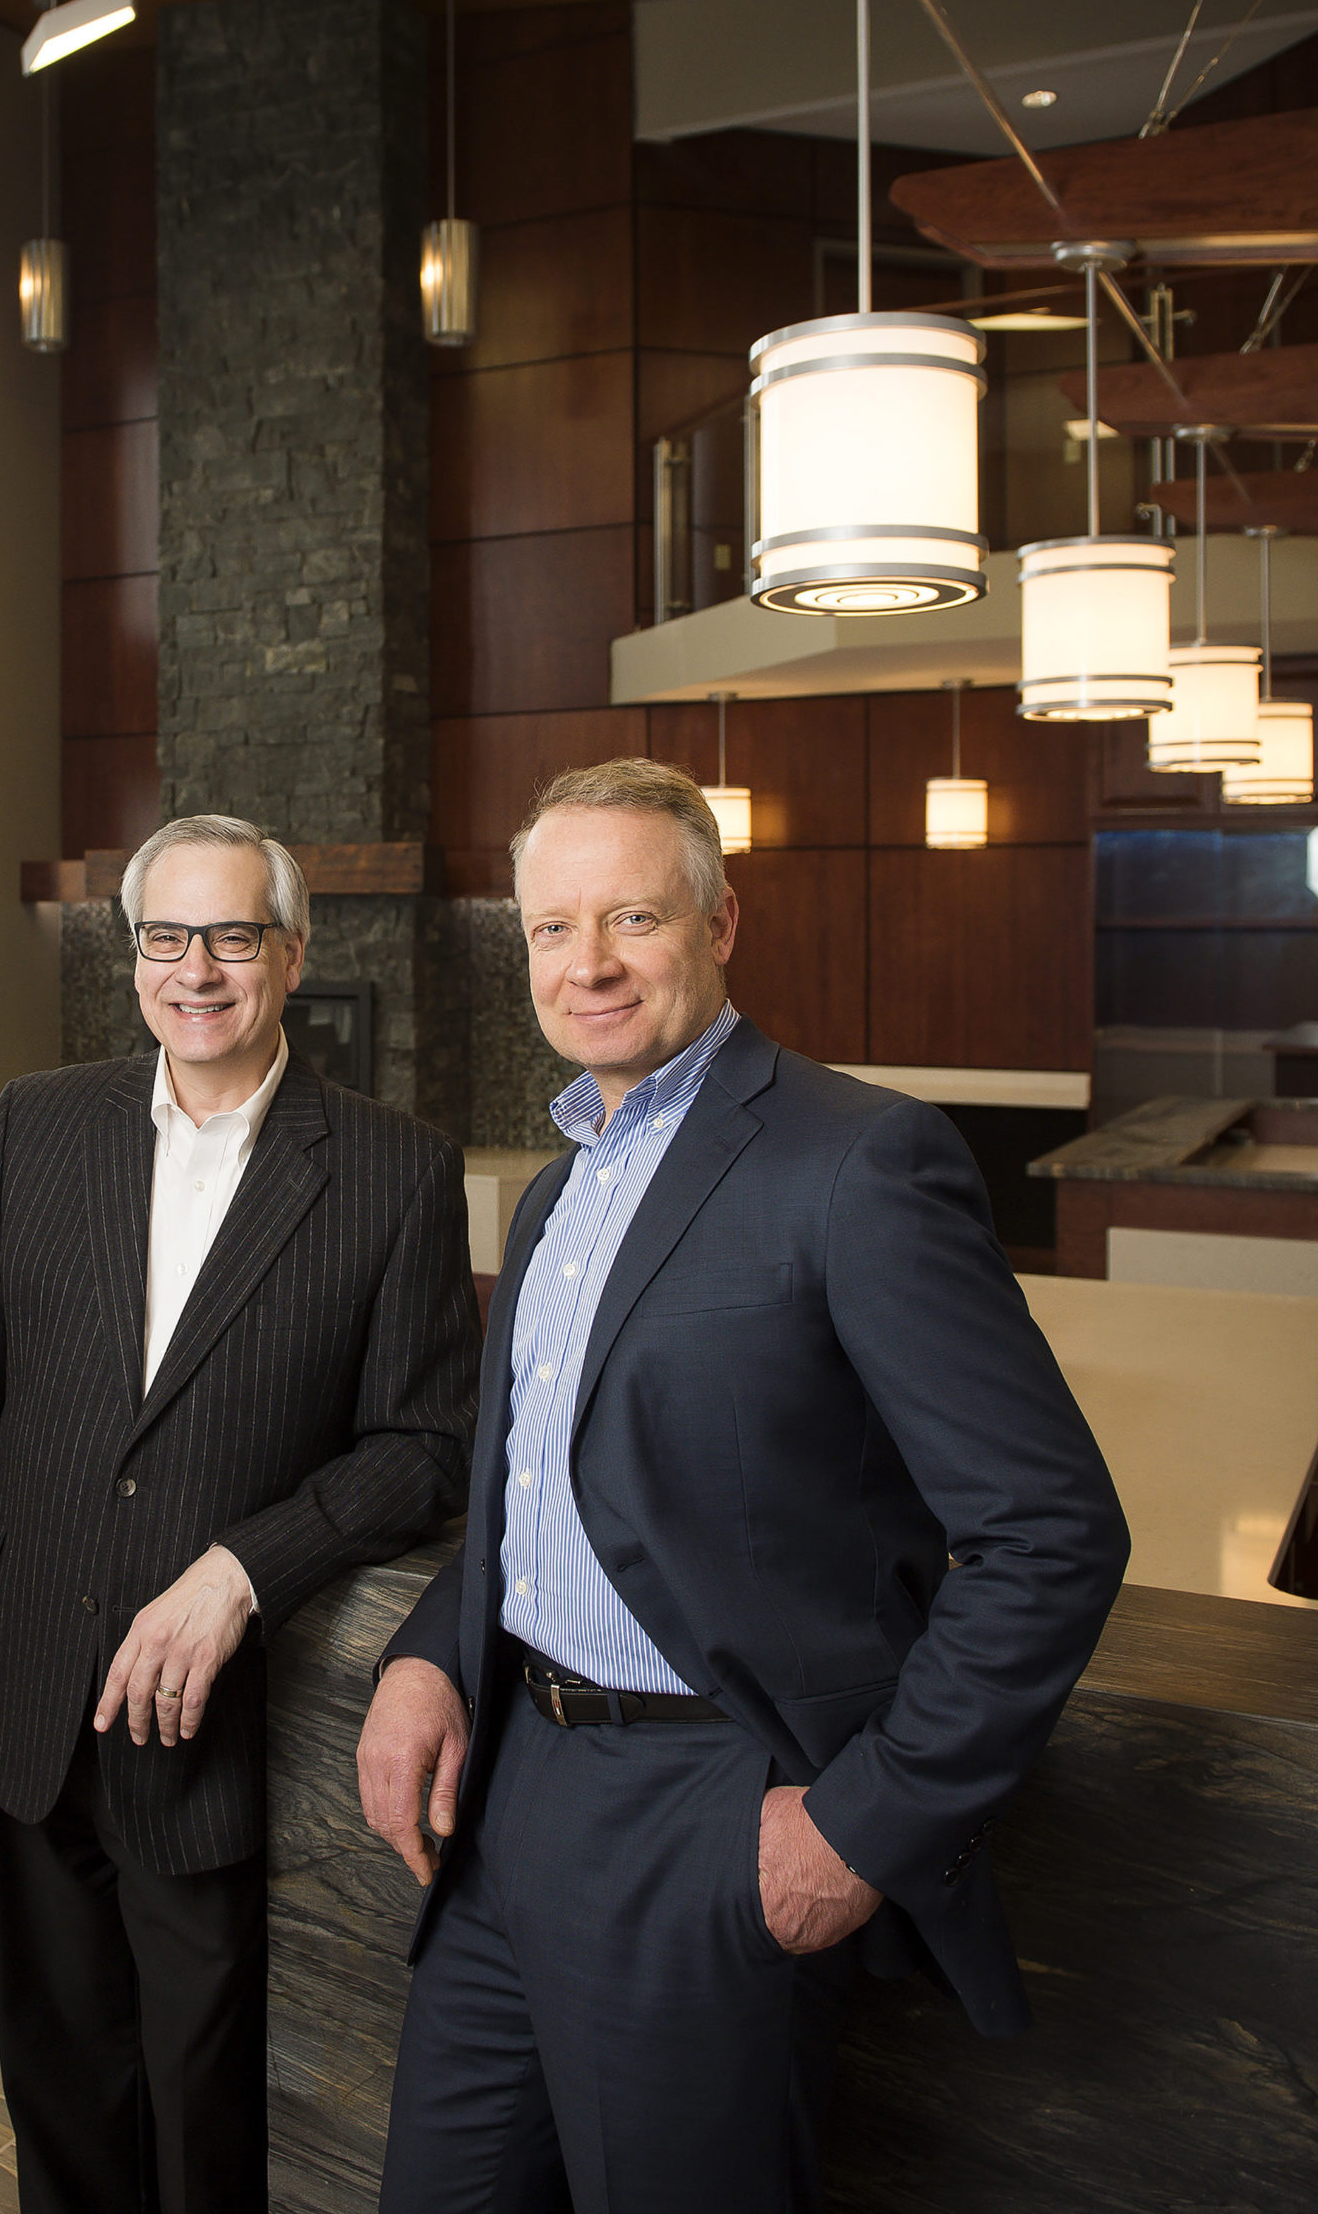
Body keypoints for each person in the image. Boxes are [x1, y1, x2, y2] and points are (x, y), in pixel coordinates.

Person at [357, 758, 1130, 2214]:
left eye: (631, 917)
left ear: (720, 923)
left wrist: (862, 1825)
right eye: (547, 928)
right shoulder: (553, 1188)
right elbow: (530, 1492)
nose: (585, 963)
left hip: (702, 1811)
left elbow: (1048, 1536)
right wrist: (424, 1658)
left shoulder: (854, 1162)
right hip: (504, 1802)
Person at [0, 813, 480, 2214]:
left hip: (201, 1736)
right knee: (60, 2094)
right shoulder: (41, 1121)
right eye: (166, 936)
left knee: (201, 2117)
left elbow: (431, 1446)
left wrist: (243, 1567)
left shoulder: (392, 1169)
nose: (195, 970)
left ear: (290, 952)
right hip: (29, 1694)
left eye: (231, 936)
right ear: (131, 952)